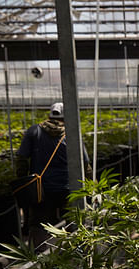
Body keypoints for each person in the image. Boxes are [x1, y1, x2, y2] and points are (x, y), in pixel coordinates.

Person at [16, 102, 88, 248]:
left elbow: (21, 159)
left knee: (39, 223)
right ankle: (72, 252)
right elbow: (85, 162)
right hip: (69, 188)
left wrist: (22, 182)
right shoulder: (72, 133)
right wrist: (92, 184)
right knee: (72, 220)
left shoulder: (34, 131)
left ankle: (40, 257)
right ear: (66, 117)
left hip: (40, 189)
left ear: (49, 115)